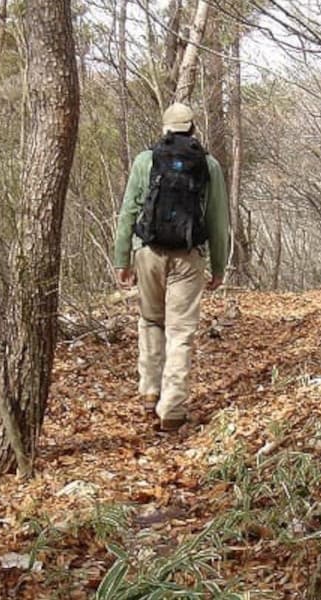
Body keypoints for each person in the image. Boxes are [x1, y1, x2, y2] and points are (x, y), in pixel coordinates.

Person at [113, 103, 229, 431]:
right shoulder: (208, 165)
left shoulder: (145, 161)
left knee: (151, 321)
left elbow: (128, 212)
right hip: (189, 257)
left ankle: (150, 391)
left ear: (165, 128)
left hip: (148, 252)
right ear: (193, 128)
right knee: (180, 331)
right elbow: (218, 220)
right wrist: (219, 266)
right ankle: (173, 408)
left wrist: (122, 257)